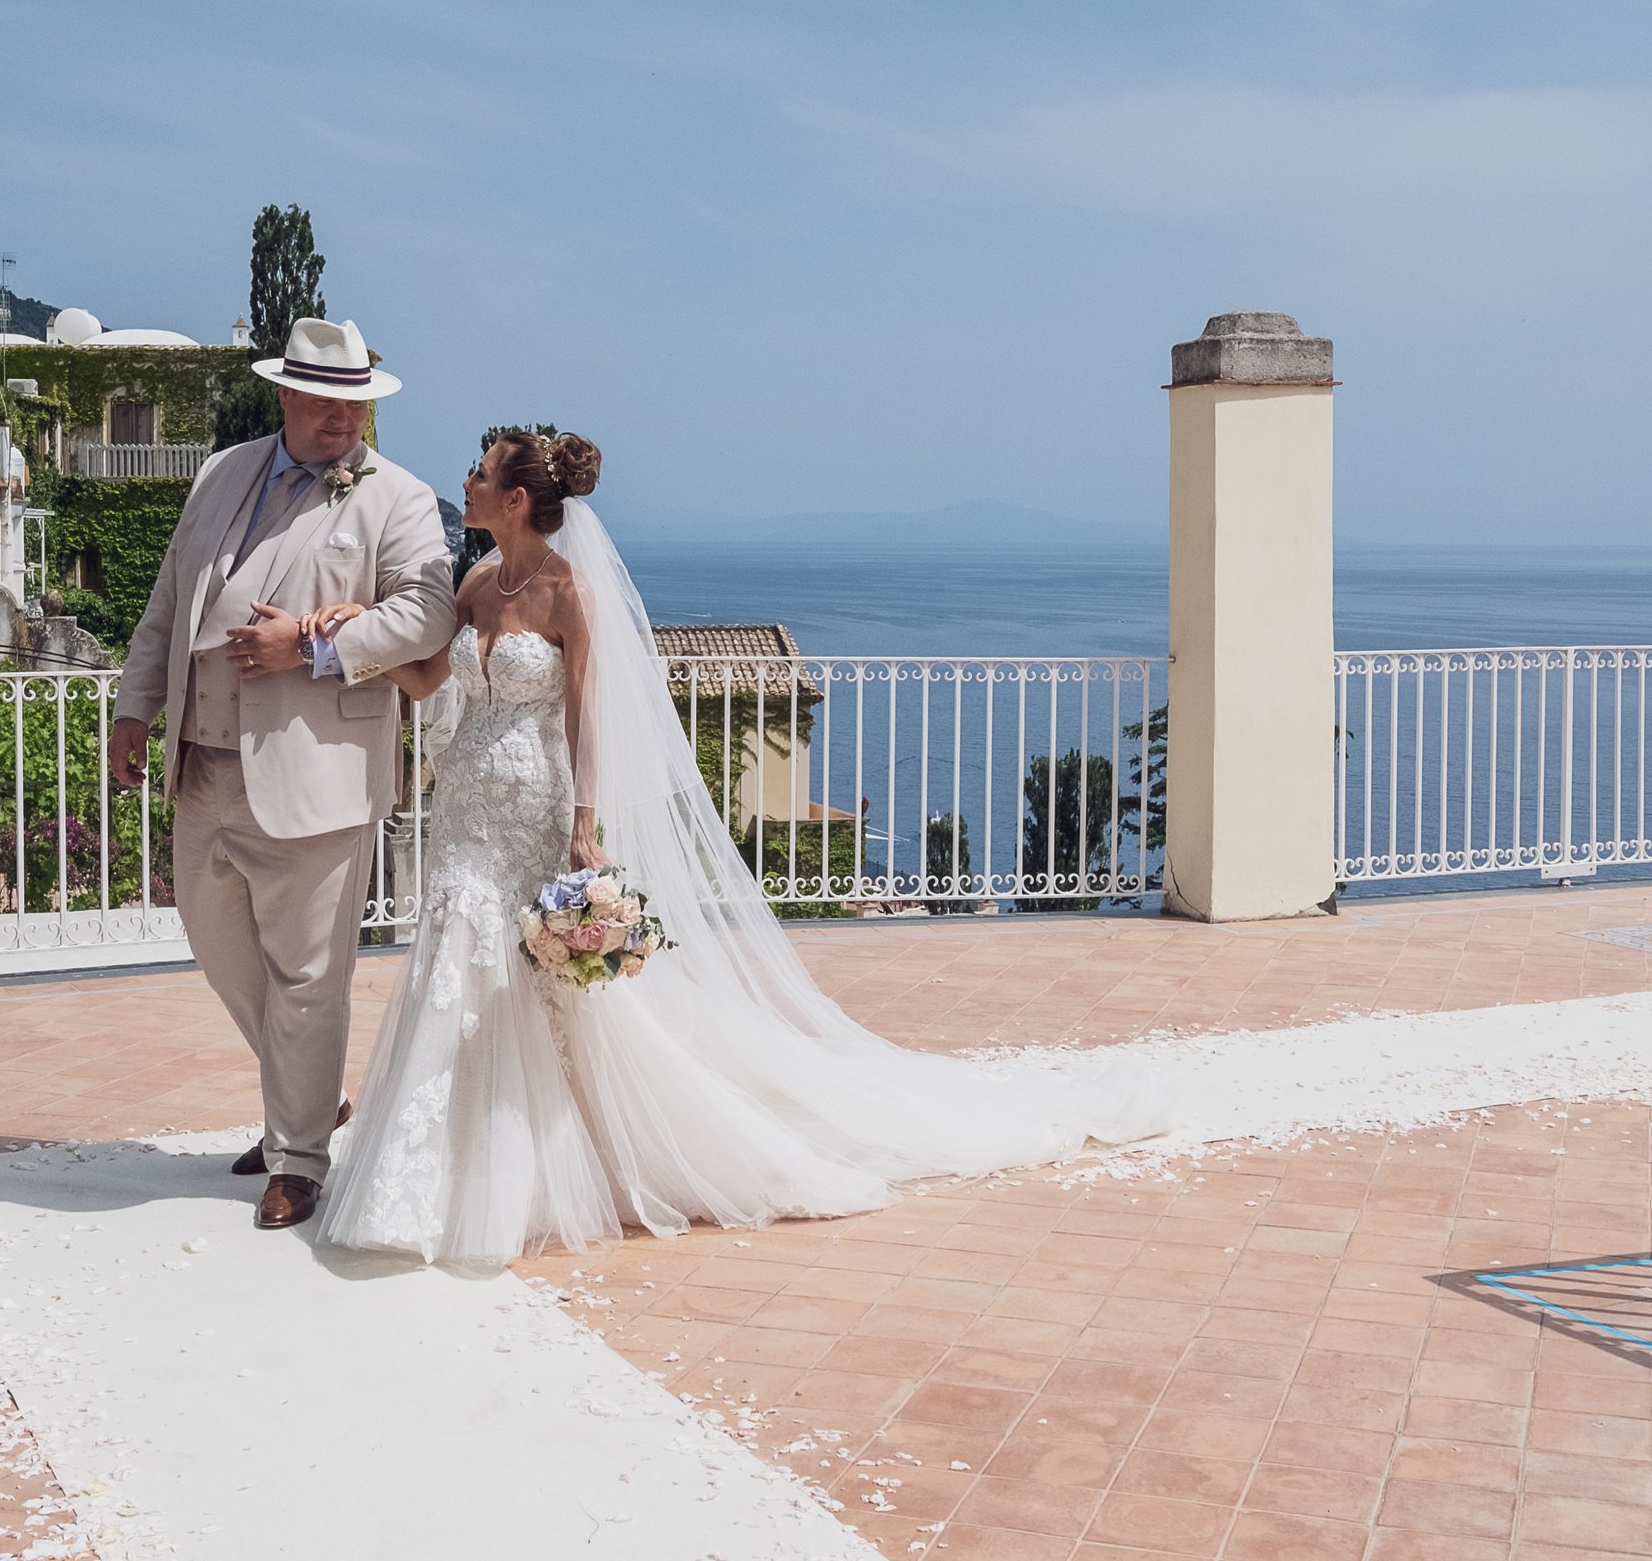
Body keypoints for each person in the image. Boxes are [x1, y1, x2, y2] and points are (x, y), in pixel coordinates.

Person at [313, 432, 1172, 1267]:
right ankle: (432, 1165)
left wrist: (584, 820)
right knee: (455, 963)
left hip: (536, 806)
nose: (464, 481)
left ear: (517, 499)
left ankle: (542, 1164)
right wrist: (362, 642)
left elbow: (583, 712)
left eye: (481, 472)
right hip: (465, 805)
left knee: (535, 982)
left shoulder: (569, 593)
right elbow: (429, 678)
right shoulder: (476, 583)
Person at [107, 318, 456, 1232]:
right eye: (324, 399)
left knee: (308, 976)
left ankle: (296, 1156)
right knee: (223, 955)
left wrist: (309, 643)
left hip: (320, 774)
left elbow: (426, 616)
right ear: (287, 395)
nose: (341, 417)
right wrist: (135, 708)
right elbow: (169, 602)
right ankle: (308, 1098)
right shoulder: (223, 472)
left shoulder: (400, 497)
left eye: (356, 402)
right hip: (203, 762)